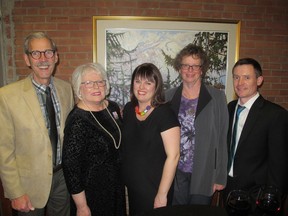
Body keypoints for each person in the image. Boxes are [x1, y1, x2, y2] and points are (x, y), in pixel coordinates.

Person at [0, 32, 74, 215]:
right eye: (36, 53)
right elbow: (4, 149)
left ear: (56, 57)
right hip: (28, 185)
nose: (43, 59)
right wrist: (15, 192)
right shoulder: (7, 96)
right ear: (27, 59)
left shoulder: (66, 89)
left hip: (62, 179)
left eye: (48, 52)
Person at [165, 44, 229, 205]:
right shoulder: (167, 96)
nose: (190, 70)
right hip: (175, 172)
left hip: (205, 171)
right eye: (186, 65)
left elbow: (222, 138)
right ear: (179, 68)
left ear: (202, 69)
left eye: (195, 66)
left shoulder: (217, 97)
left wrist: (220, 176)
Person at [224, 58, 288, 212]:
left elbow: (279, 164)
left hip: (257, 196)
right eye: (236, 77)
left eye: (247, 77)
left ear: (259, 80)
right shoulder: (230, 108)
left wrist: (271, 198)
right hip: (229, 191)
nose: (240, 83)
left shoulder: (275, 115)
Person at [62, 63, 126, 216]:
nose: (96, 87)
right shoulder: (77, 120)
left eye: (100, 81)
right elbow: (72, 168)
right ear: (79, 88)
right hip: (92, 191)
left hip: (115, 185)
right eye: (89, 83)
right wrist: (82, 206)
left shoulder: (112, 108)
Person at [121, 63, 180, 215]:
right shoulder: (129, 109)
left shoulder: (164, 113)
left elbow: (174, 156)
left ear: (156, 87)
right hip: (133, 189)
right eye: (138, 81)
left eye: (148, 82)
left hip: (154, 189)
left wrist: (161, 195)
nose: (142, 87)